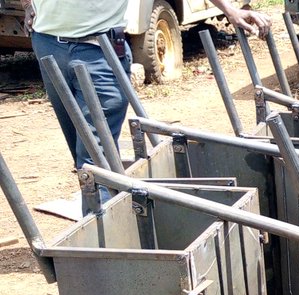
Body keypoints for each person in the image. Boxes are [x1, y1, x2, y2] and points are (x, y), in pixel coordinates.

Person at [23, 0, 271, 173]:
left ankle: (100, 242)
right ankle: (99, 223)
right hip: (48, 46)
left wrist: (229, 9)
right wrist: (27, 5)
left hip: (98, 51)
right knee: (81, 157)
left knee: (94, 160)